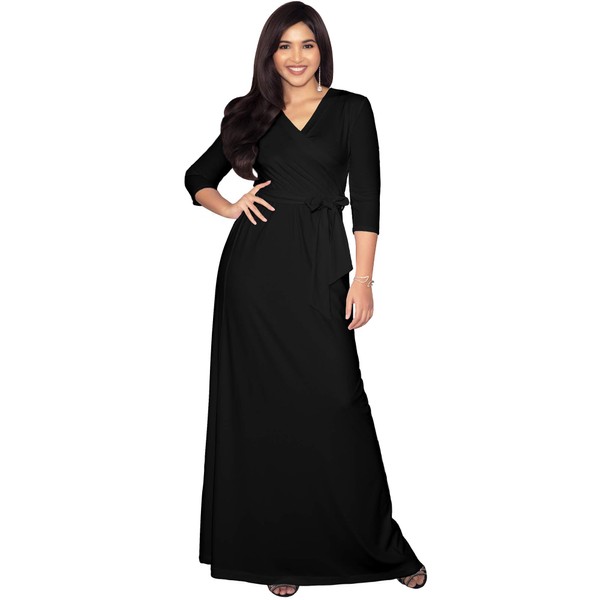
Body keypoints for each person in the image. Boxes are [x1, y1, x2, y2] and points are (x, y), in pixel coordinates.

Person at [183, 2, 427, 596]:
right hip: (254, 278)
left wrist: (363, 280)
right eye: (284, 45)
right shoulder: (250, 113)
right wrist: (231, 207)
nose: (296, 57)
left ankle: (380, 547)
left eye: (307, 44)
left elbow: (367, 198)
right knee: (265, 412)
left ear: (322, 50)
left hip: (322, 271)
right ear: (269, 54)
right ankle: (278, 555)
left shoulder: (351, 109)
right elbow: (196, 178)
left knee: (339, 405)